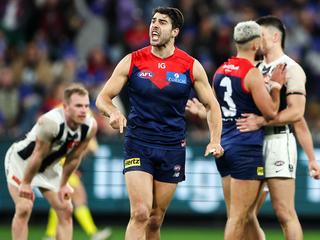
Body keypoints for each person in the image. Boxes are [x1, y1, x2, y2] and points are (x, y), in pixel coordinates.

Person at [95, 6, 224, 240]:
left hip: (172, 146)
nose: (154, 25)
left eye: (162, 22)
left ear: (175, 31)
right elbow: (103, 97)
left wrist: (215, 140)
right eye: (153, 21)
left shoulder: (190, 65)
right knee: (140, 213)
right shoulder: (133, 60)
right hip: (138, 142)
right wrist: (112, 112)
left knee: (155, 219)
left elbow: (212, 106)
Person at [186, 20, 286, 240]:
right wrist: (276, 88)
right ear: (255, 44)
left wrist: (203, 114)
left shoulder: (220, 71)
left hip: (225, 146)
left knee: (246, 215)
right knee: (239, 217)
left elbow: (217, 111)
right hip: (246, 148)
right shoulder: (251, 74)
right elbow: (270, 112)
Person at [235, 16, 320, 240]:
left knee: (284, 213)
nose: (256, 40)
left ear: (275, 37)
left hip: (278, 142)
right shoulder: (253, 69)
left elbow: (297, 114)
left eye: (260, 35)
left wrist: (312, 159)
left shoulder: (292, 69)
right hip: (252, 144)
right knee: (245, 214)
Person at [5, 83, 97, 240]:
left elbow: (74, 157)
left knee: (65, 208)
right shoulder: (51, 123)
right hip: (22, 163)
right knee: (24, 207)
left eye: (86, 106)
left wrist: (63, 184)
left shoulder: (89, 126)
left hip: (48, 167)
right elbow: (37, 155)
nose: (84, 110)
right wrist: (26, 183)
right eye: (78, 106)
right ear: (66, 107)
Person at [43, 138, 112, 240]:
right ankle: (93, 233)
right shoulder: (78, 129)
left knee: (59, 201)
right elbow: (81, 151)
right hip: (64, 168)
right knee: (78, 200)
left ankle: (50, 235)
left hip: (58, 167)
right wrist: (88, 148)